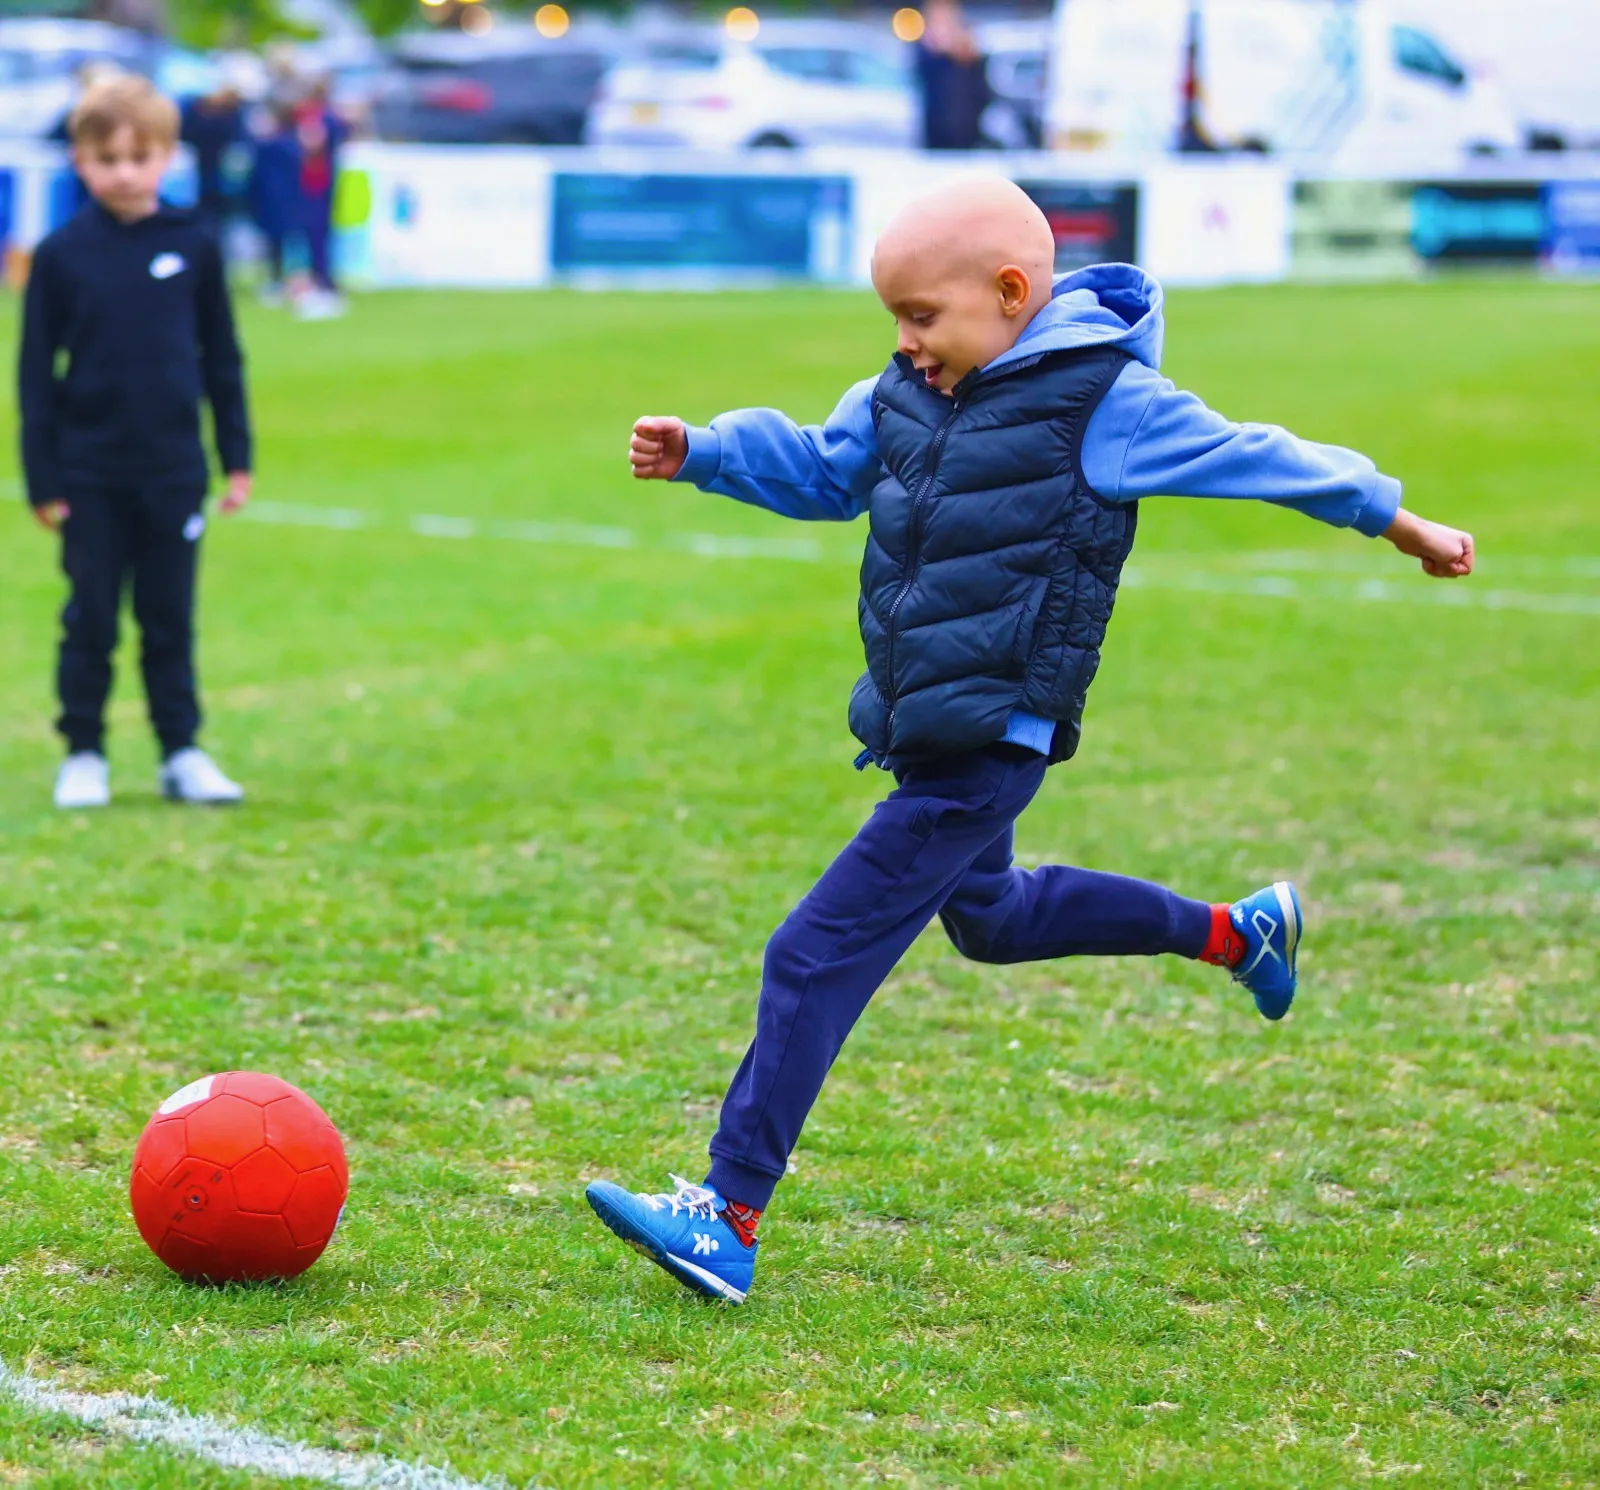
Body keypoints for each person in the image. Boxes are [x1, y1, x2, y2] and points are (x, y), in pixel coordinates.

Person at [586, 177, 1476, 1304]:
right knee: (995, 920)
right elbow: (821, 468)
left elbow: (1265, 457)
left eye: (922, 317)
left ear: (1011, 293)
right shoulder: (903, 392)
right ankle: (1234, 933)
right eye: (895, 320)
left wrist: (1399, 521)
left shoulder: (1106, 401)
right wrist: (707, 450)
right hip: (927, 722)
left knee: (809, 953)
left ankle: (726, 1212)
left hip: (992, 735)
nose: (905, 343)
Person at [18, 73, 253, 810]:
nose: (124, 172)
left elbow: (222, 357)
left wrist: (236, 456)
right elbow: (33, 375)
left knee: (167, 618)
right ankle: (83, 751)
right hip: (89, 473)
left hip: (173, 469)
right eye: (107, 158)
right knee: (89, 616)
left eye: (139, 157)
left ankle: (180, 750)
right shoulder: (60, 254)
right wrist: (42, 475)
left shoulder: (195, 245)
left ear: (167, 156)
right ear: (81, 162)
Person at [289, 82, 347, 320]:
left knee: (316, 236)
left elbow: (313, 143)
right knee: (317, 236)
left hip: (315, 184)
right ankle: (318, 281)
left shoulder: (316, 118)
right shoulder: (329, 117)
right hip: (317, 183)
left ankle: (320, 283)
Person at [916, 0, 989, 151]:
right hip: (937, 131)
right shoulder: (926, 52)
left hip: (967, 132)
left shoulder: (971, 53)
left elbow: (981, 90)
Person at [247, 101, 300, 305]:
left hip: (275, 201)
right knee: (277, 243)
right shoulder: (289, 146)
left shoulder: (269, 146)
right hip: (278, 200)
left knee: (278, 243)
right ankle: (281, 281)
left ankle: (283, 282)